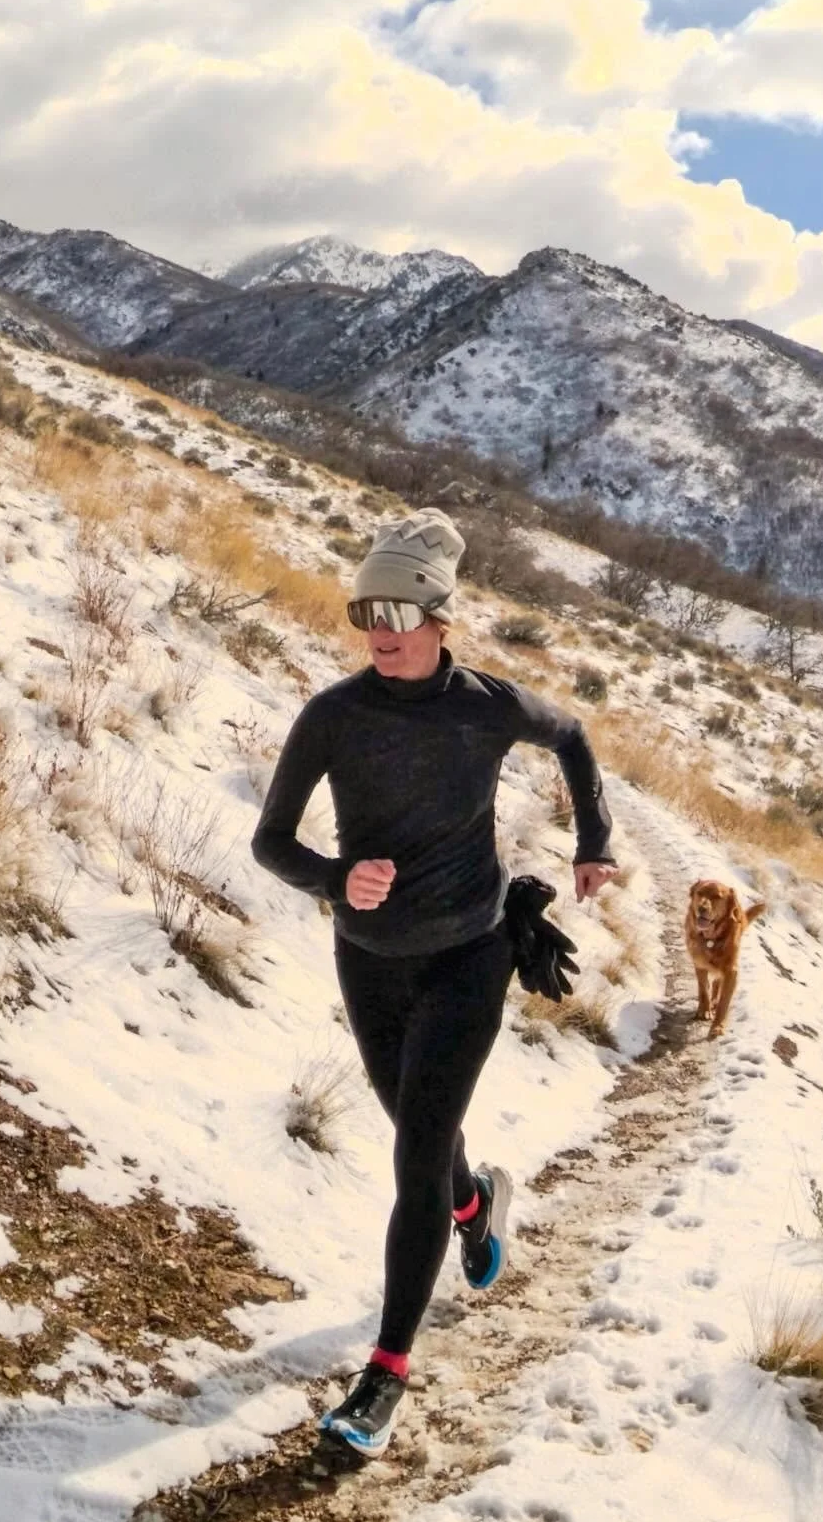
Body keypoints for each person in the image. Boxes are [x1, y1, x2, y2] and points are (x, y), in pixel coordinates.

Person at [252, 507, 616, 1458]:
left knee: (414, 1151)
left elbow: (572, 735)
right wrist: (335, 878)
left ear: (440, 616)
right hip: (369, 962)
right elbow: (270, 841)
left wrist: (596, 844)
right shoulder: (333, 716)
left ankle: (384, 1378)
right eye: (367, 609)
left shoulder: (486, 707)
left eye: (401, 611)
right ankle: (473, 1202)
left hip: (471, 953)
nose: (382, 629)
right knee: (418, 1128)